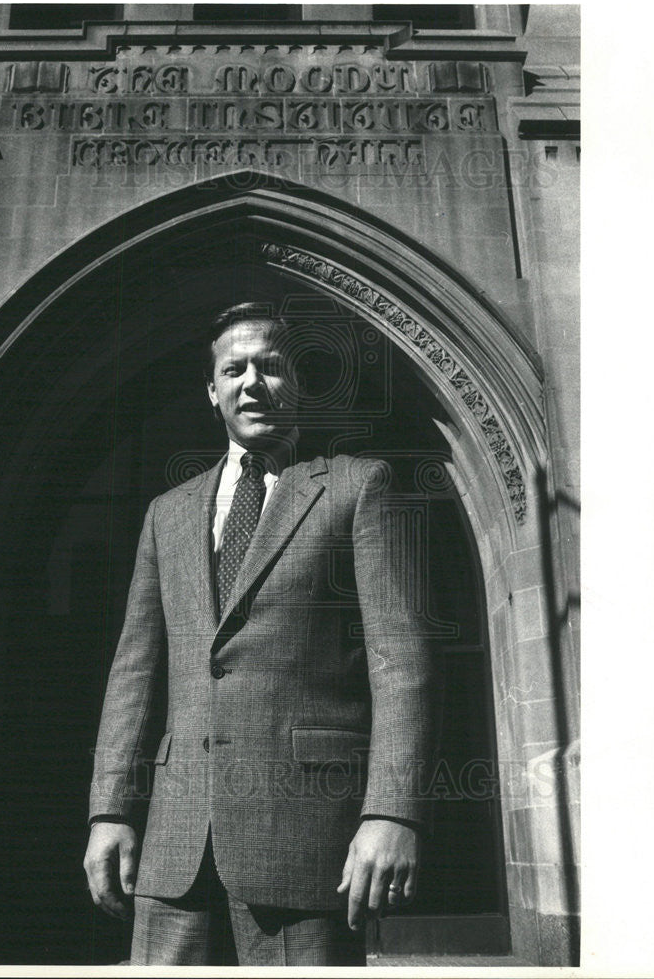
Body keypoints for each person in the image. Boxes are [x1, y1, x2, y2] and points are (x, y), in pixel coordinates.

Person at [84, 303, 438, 965]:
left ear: (297, 383)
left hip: (307, 841)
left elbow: (401, 663)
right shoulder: (168, 512)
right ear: (212, 391)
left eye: (270, 366)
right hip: (175, 839)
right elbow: (135, 671)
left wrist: (392, 813)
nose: (252, 381)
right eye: (234, 368)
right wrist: (110, 810)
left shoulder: (357, 487)